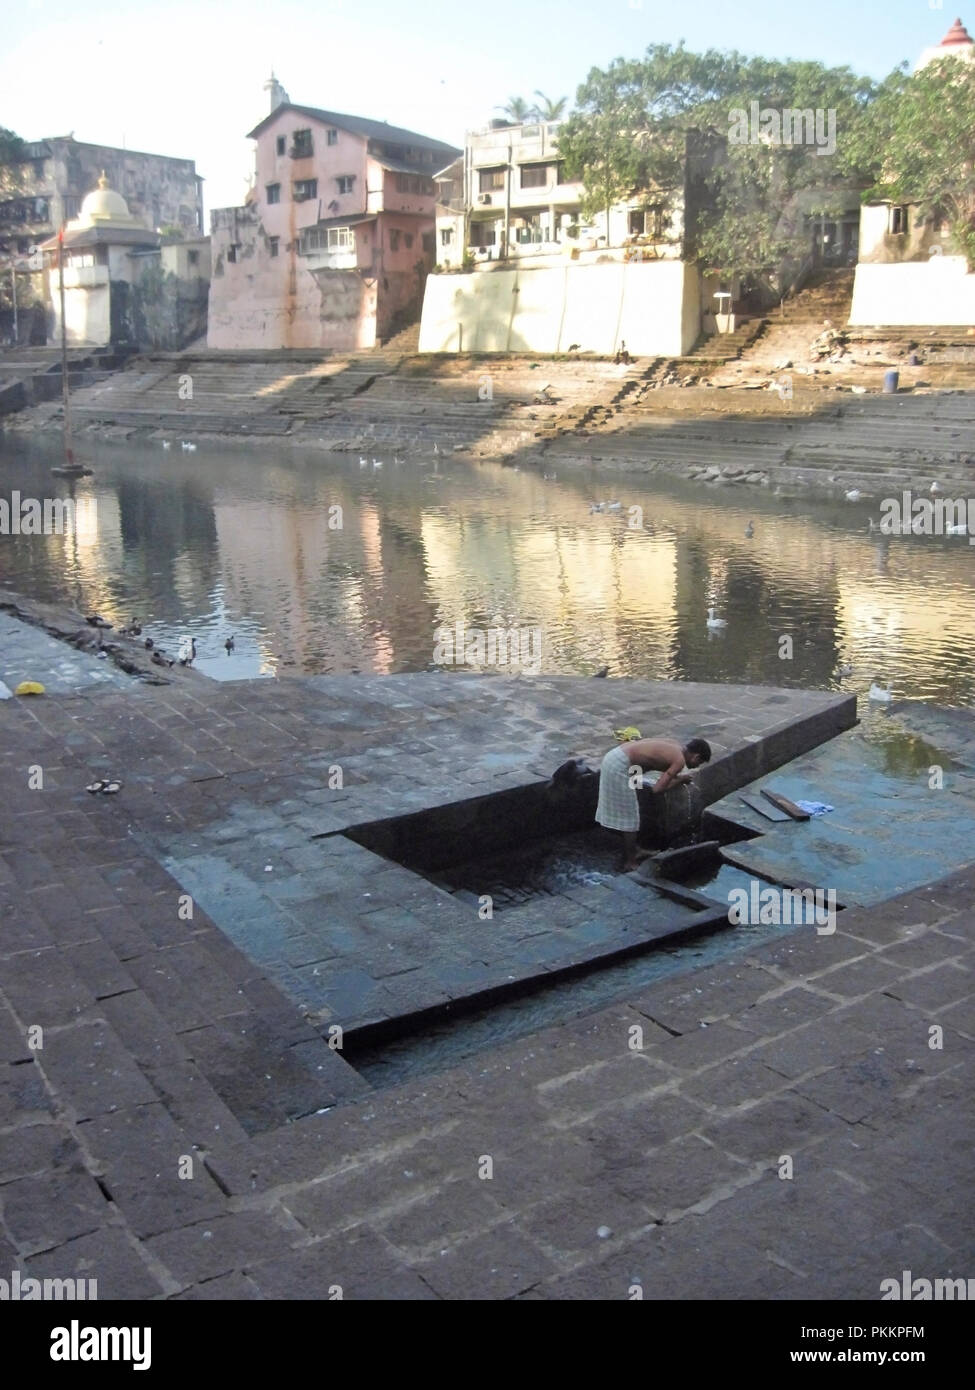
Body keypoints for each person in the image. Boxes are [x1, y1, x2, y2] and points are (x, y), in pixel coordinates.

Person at [595, 736, 712, 871]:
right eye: (699, 763)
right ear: (696, 757)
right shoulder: (679, 761)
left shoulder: (675, 744)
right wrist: (680, 780)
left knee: (631, 807)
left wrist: (677, 777)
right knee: (630, 819)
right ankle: (630, 862)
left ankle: (635, 849)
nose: (696, 766)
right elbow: (657, 789)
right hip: (619, 766)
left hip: (617, 756)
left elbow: (656, 762)